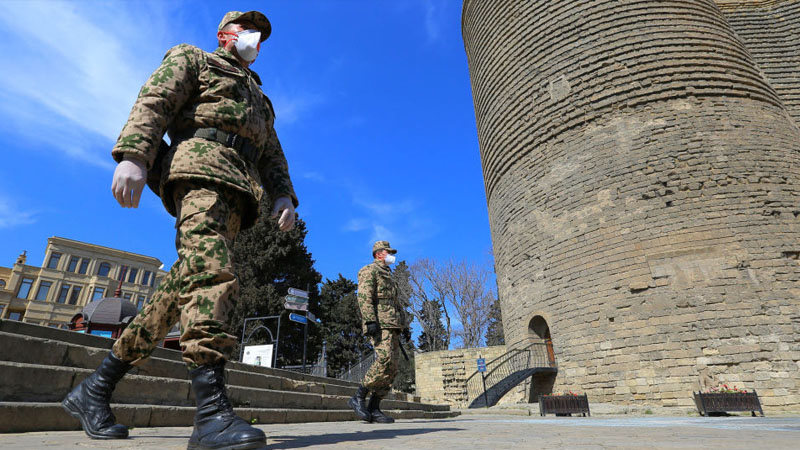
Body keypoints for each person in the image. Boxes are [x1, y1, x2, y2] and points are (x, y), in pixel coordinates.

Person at [62, 10, 297, 450]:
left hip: (238, 192)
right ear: (224, 34)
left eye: (260, 34)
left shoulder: (260, 100)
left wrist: (283, 195)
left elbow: (273, 155)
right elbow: (156, 100)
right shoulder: (194, 59)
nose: (254, 38)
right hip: (198, 175)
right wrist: (134, 154)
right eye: (247, 29)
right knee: (212, 275)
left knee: (180, 291)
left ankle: (95, 387)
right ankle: (211, 416)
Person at [349, 241, 411, 423]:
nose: (392, 255)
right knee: (383, 361)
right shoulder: (369, 270)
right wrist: (369, 320)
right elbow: (364, 297)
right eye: (388, 252)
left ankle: (374, 407)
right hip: (380, 324)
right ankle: (358, 396)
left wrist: (405, 326)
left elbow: (397, 304)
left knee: (392, 368)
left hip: (393, 325)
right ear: (378, 254)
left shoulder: (389, 276)